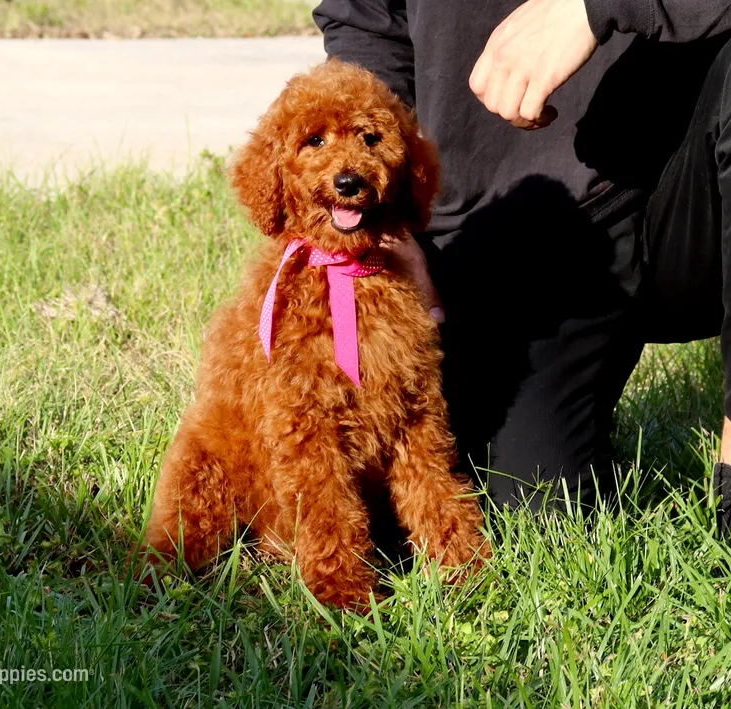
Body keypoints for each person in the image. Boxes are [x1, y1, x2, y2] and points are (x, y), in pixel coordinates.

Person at [313, 0, 731, 528]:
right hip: (509, 227)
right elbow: (365, 20)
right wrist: (386, 214)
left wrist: (589, 6)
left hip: (689, 167)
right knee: (535, 509)